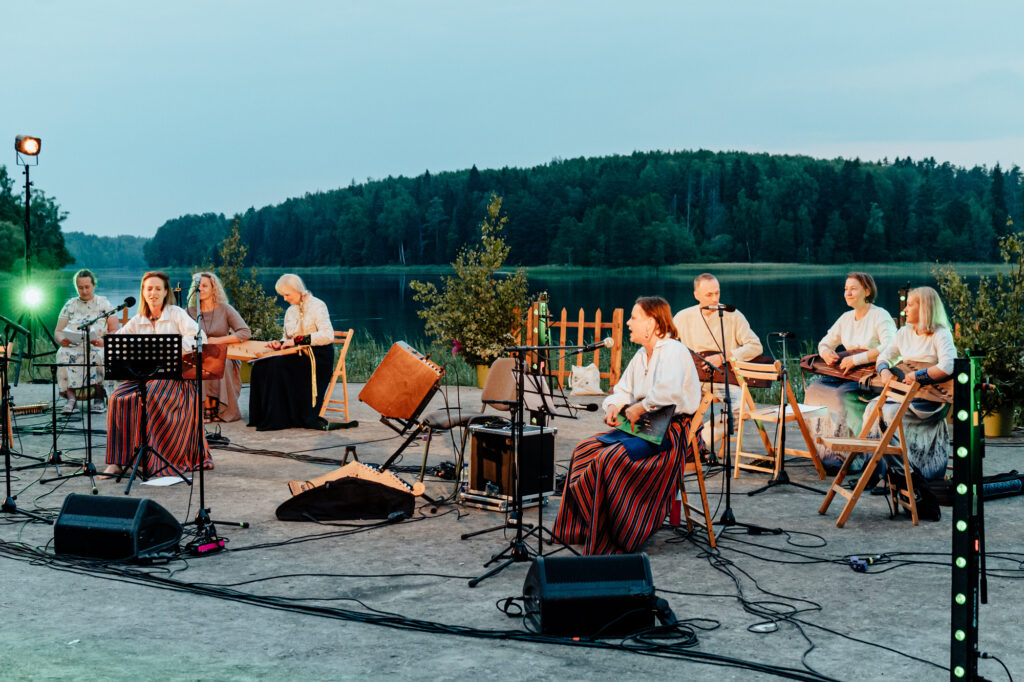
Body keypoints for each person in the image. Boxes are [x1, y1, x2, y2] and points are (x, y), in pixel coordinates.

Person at [553, 296, 702, 555]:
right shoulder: (641, 355)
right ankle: (580, 528)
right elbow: (623, 389)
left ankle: (616, 535)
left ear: (652, 323)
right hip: (642, 428)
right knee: (584, 449)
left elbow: (670, 392)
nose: (629, 323)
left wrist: (640, 407)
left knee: (608, 459)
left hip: (670, 433)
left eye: (634, 318)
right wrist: (614, 406)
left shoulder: (674, 351)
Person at [103, 271, 212, 478]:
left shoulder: (176, 313)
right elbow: (118, 342)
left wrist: (171, 349)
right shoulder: (138, 320)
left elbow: (200, 337)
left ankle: (151, 459)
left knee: (150, 393)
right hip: (143, 376)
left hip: (174, 378)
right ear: (143, 292)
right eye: (149, 289)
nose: (153, 293)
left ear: (165, 292)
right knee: (117, 397)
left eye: (157, 289)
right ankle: (118, 461)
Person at [804, 273, 897, 472]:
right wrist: (826, 353)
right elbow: (825, 342)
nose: (848, 293)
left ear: (867, 291)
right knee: (814, 389)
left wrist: (856, 359)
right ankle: (828, 454)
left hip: (871, 378)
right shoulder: (846, 318)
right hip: (848, 374)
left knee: (841, 394)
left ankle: (855, 456)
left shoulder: (880, 315)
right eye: (846, 289)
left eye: (853, 289)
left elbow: (891, 345)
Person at [867, 286, 956, 482]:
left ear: (924, 308)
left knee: (889, 413)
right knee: (872, 408)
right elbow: (884, 357)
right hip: (906, 394)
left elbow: (948, 366)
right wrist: (884, 371)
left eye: (909, 305)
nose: (905, 310)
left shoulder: (940, 334)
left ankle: (901, 473)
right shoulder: (904, 332)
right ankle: (879, 470)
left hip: (930, 400)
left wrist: (918, 375)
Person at [672, 273, 763, 449]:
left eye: (717, 293)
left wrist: (723, 357)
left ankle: (698, 443)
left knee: (740, 409)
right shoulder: (683, 317)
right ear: (696, 295)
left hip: (723, 379)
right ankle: (672, 446)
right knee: (668, 404)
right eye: (709, 295)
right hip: (692, 380)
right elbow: (668, 346)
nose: (715, 299)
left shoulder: (732, 315)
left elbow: (755, 346)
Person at [248, 274, 334, 431]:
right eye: (283, 295)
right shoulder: (290, 311)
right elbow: (286, 338)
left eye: (287, 294)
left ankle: (281, 417)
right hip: (296, 353)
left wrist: (298, 340)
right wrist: (279, 344)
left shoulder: (318, 305)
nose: (285, 299)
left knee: (277, 365)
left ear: (298, 290)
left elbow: (328, 335)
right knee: (261, 365)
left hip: (317, 355)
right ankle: (264, 416)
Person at [186, 272, 252, 422]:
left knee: (222, 363)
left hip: (224, 354)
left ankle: (219, 408)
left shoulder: (225, 309)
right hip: (200, 354)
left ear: (213, 288)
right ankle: (207, 407)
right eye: (197, 286)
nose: (200, 289)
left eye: (205, 286)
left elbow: (245, 332)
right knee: (200, 362)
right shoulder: (190, 311)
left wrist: (217, 340)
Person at [53, 269, 119, 414]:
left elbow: (115, 330)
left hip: (98, 345)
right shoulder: (70, 305)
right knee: (62, 353)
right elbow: (58, 331)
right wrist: (62, 340)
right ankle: (71, 399)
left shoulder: (104, 303)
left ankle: (99, 397)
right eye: (80, 288)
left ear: (94, 285)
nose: (84, 291)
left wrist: (103, 342)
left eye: (87, 287)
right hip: (74, 345)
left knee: (98, 354)